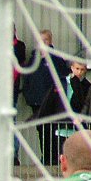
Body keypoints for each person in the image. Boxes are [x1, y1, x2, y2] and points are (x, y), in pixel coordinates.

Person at [22, 29, 69, 163]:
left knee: (53, 130)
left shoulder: (56, 59)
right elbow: (27, 79)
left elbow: (64, 77)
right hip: (36, 102)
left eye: (45, 40)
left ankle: (54, 158)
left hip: (52, 103)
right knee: (41, 130)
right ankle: (45, 157)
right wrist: (29, 96)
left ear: (50, 41)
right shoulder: (33, 60)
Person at [34, 59, 91, 163]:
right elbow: (50, 102)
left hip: (78, 126)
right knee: (62, 156)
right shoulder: (62, 83)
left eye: (82, 70)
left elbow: (86, 104)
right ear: (72, 68)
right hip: (61, 126)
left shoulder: (86, 86)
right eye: (77, 69)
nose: (79, 72)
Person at [12, 27, 27, 165]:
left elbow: (18, 68)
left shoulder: (19, 46)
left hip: (11, 91)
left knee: (11, 122)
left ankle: (14, 155)